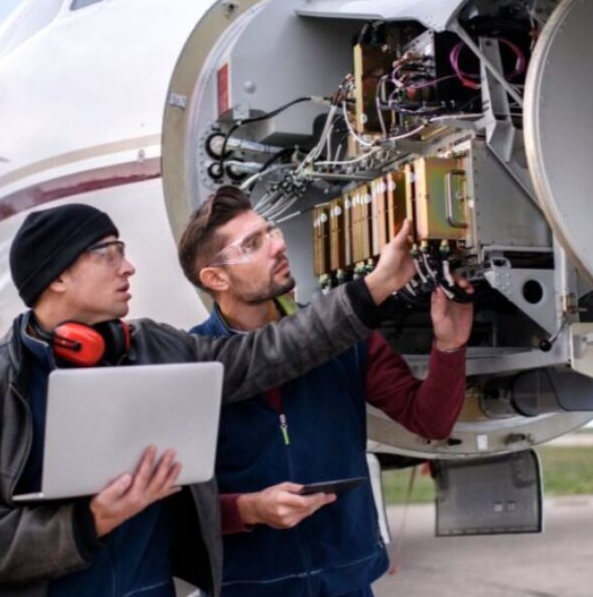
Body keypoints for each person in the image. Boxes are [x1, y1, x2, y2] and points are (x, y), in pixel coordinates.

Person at [0, 202, 417, 597]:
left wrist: (372, 290)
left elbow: (268, 353)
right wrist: (90, 521)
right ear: (57, 277)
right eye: (109, 252)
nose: (129, 266)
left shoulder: (155, 347)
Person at [177, 186, 473, 597]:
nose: (278, 246)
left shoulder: (344, 336)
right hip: (249, 584)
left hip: (346, 578)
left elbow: (429, 421)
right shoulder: (192, 362)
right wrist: (248, 509)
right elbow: (177, 504)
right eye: (253, 243)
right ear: (215, 277)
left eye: (272, 231)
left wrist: (450, 345)